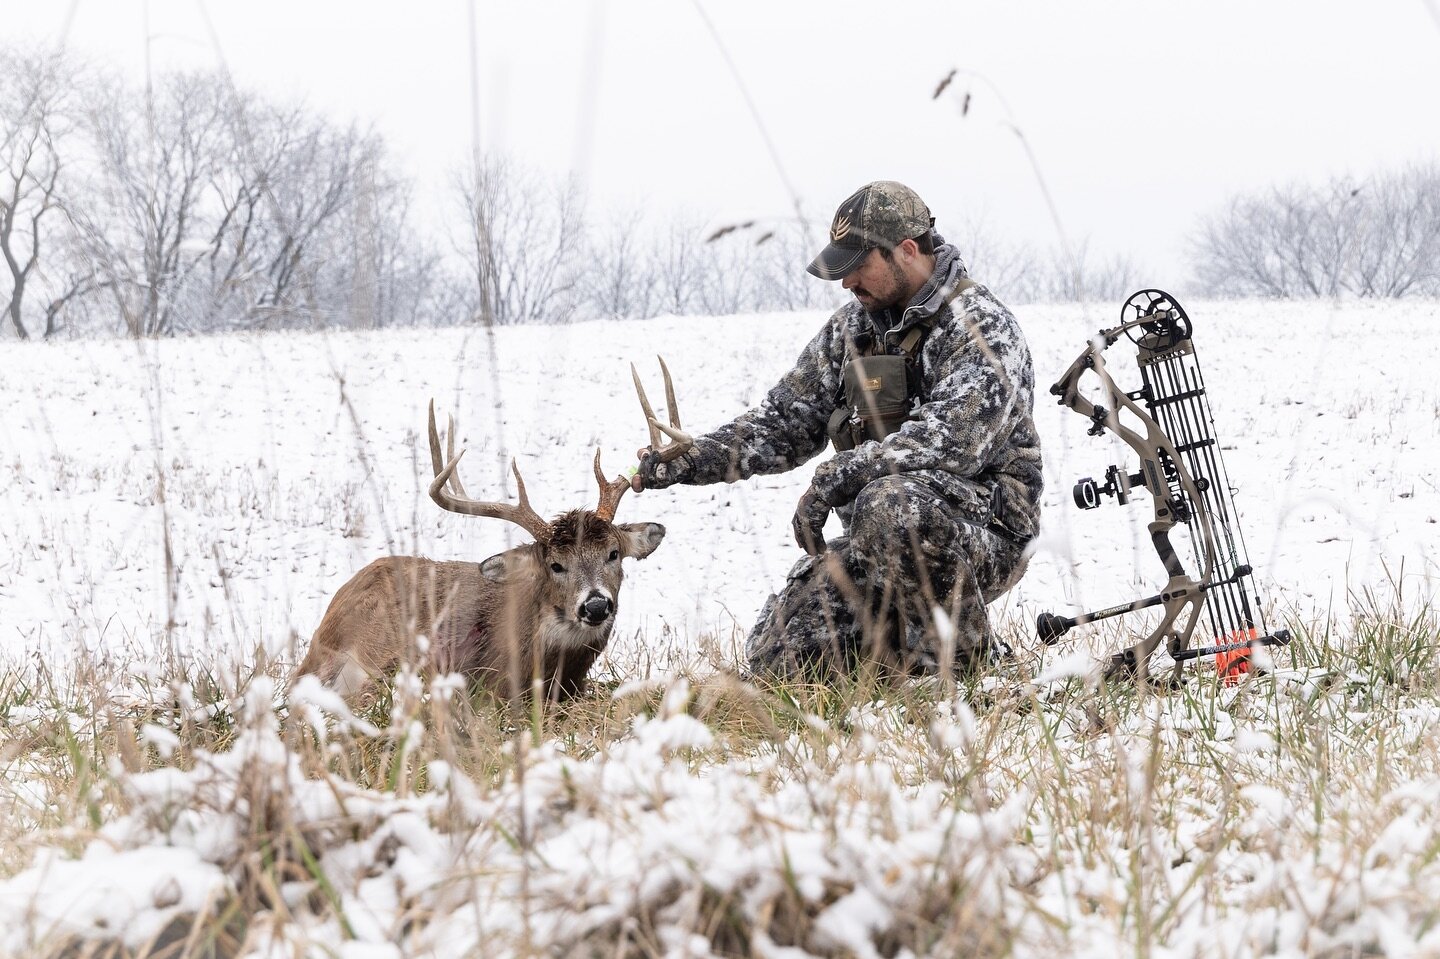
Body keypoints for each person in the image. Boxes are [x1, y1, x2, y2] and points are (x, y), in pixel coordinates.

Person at [636, 181, 1042, 680]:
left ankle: (971, 671)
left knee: (890, 505)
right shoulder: (852, 328)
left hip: (985, 530)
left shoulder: (981, 327)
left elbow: (952, 441)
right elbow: (786, 421)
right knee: (777, 657)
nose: (845, 282)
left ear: (906, 251)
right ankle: (899, 652)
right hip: (882, 536)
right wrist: (693, 459)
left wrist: (840, 475)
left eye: (856, 266)